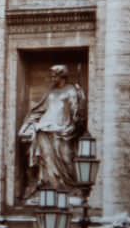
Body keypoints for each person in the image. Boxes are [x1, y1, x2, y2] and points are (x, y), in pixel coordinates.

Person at [18, 65, 86, 198]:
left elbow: (75, 111)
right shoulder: (51, 92)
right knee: (46, 157)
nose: (52, 78)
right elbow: (41, 109)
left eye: (55, 76)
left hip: (63, 129)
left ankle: (68, 187)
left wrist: (73, 124)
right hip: (45, 127)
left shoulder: (71, 90)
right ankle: (48, 188)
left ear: (62, 76)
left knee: (66, 157)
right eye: (52, 76)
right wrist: (30, 123)